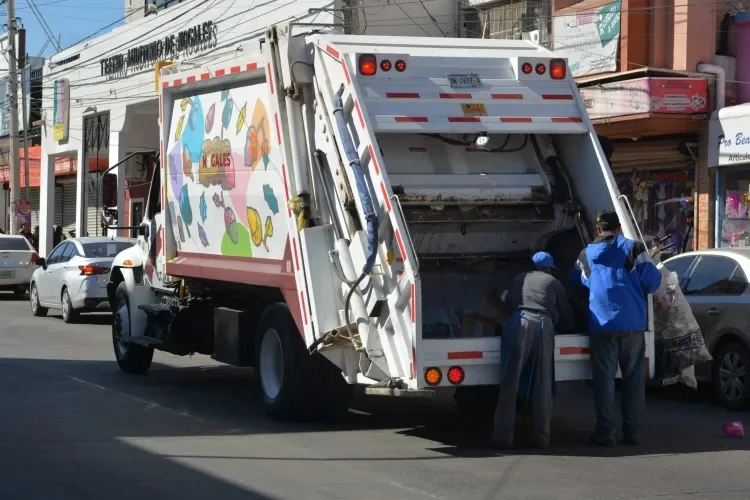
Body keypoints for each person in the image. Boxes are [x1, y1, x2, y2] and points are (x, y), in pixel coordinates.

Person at [576, 210, 661, 447]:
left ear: (598, 230)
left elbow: (579, 283)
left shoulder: (586, 254)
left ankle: (605, 434)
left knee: (604, 382)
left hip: (601, 327)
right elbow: (652, 282)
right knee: (633, 381)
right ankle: (632, 433)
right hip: (632, 325)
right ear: (619, 228)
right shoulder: (634, 249)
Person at [491, 251, 575, 450]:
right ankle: (542, 438)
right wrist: (571, 326)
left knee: (510, 380)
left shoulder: (520, 278)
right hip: (544, 325)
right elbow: (565, 313)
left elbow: (507, 302)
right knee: (543, 381)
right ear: (548, 268)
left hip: (518, 322)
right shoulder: (553, 282)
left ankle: (503, 437)